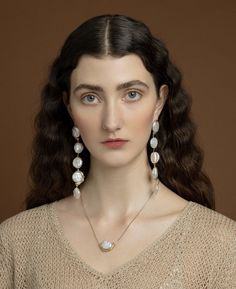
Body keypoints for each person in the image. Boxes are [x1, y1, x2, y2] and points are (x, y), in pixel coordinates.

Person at [0, 14, 235, 289]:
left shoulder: (221, 246)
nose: (111, 122)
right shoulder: (15, 242)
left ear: (159, 102)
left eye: (132, 94)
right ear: (68, 106)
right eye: (91, 98)